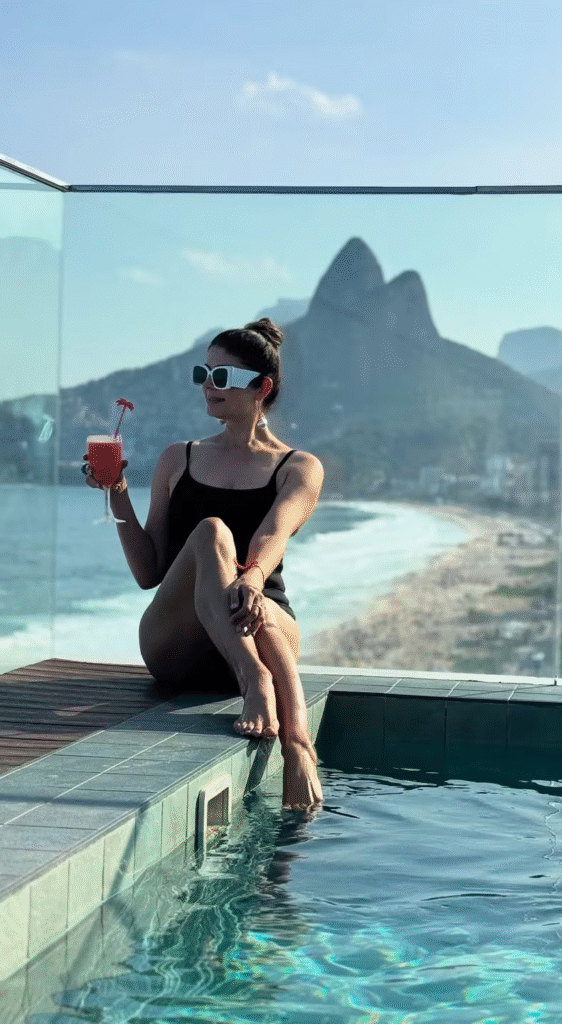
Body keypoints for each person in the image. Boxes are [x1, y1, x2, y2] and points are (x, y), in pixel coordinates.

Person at [82, 318, 324, 810]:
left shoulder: (299, 467)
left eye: (223, 377)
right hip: (180, 644)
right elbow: (149, 573)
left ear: (262, 388)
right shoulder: (179, 459)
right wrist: (118, 493)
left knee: (254, 603)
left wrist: (253, 578)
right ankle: (256, 680)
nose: (208, 386)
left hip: (261, 621)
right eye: (203, 374)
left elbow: (273, 533)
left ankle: (298, 746)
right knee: (212, 531)